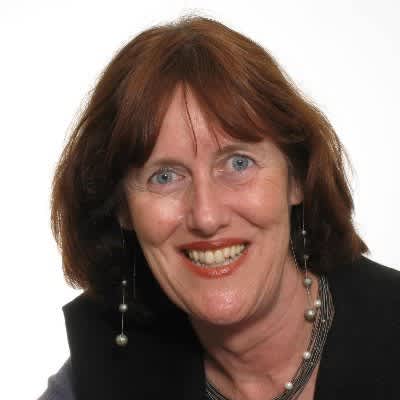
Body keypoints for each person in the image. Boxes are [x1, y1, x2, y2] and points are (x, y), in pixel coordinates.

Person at [39, 15, 400, 400]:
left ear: (297, 178)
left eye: (238, 163)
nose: (206, 216)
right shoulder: (89, 383)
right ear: (121, 208)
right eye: (165, 176)